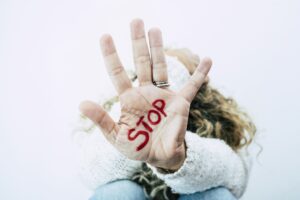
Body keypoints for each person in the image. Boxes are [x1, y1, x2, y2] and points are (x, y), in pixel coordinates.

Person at [77, 19, 256, 200]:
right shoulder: (125, 107)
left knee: (216, 194)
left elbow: (237, 178)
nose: (170, 63)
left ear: (204, 83)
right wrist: (136, 135)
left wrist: (179, 160)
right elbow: (89, 173)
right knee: (117, 192)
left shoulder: (221, 120)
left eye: (177, 64)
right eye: (165, 62)